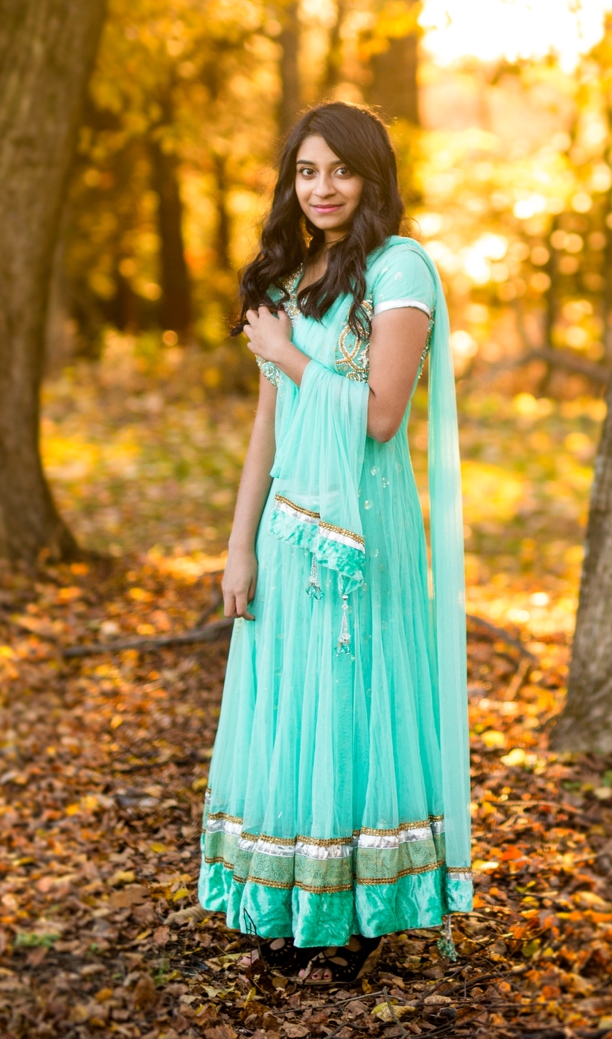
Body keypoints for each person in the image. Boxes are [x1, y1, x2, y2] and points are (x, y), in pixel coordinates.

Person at [197, 101, 472, 963]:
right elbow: (268, 432)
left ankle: (355, 915)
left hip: (366, 525)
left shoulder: (402, 269)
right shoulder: (295, 277)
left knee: (353, 699)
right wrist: (239, 543)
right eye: (307, 171)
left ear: (371, 176)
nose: (322, 188)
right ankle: (287, 901)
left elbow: (383, 416)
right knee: (292, 701)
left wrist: (284, 352)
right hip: (286, 529)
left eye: (341, 170)